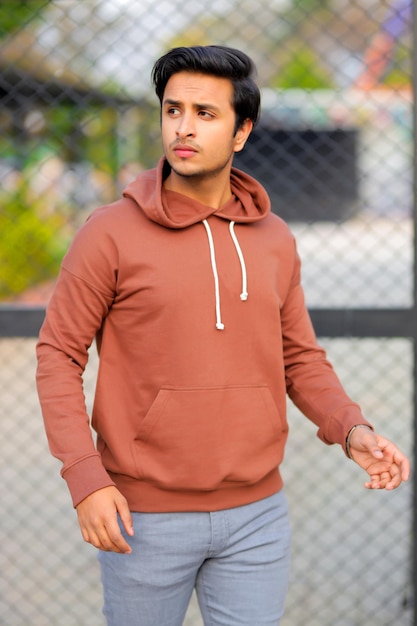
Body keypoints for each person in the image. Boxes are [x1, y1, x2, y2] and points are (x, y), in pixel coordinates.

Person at [36, 45, 410, 626]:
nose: (183, 127)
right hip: (143, 516)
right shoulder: (108, 233)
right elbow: (57, 357)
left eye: (205, 114)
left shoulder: (275, 239)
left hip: (258, 515)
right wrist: (85, 480)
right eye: (172, 110)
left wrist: (349, 427)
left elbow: (300, 358)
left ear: (242, 132)